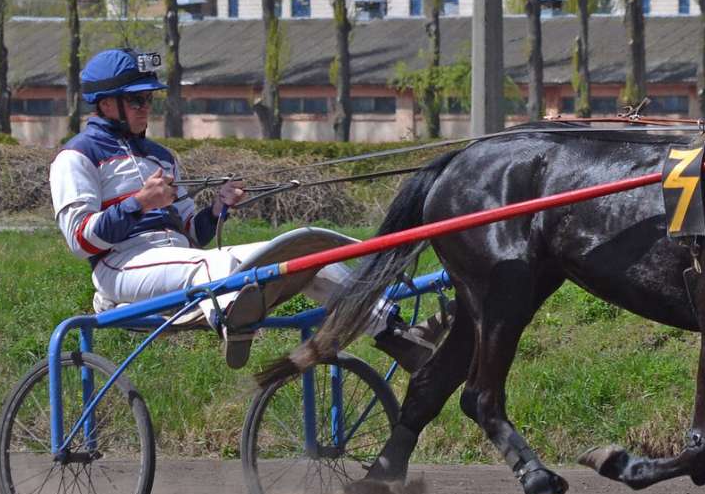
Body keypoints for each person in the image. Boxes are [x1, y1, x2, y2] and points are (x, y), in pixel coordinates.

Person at [48, 47, 442, 370]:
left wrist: (217, 208)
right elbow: (80, 240)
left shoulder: (160, 157)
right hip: (120, 268)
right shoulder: (76, 157)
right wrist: (139, 204)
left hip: (177, 259)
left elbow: (193, 233)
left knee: (305, 253)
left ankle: (393, 330)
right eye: (136, 99)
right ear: (104, 104)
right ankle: (233, 319)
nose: (145, 107)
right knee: (214, 268)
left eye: (149, 98)